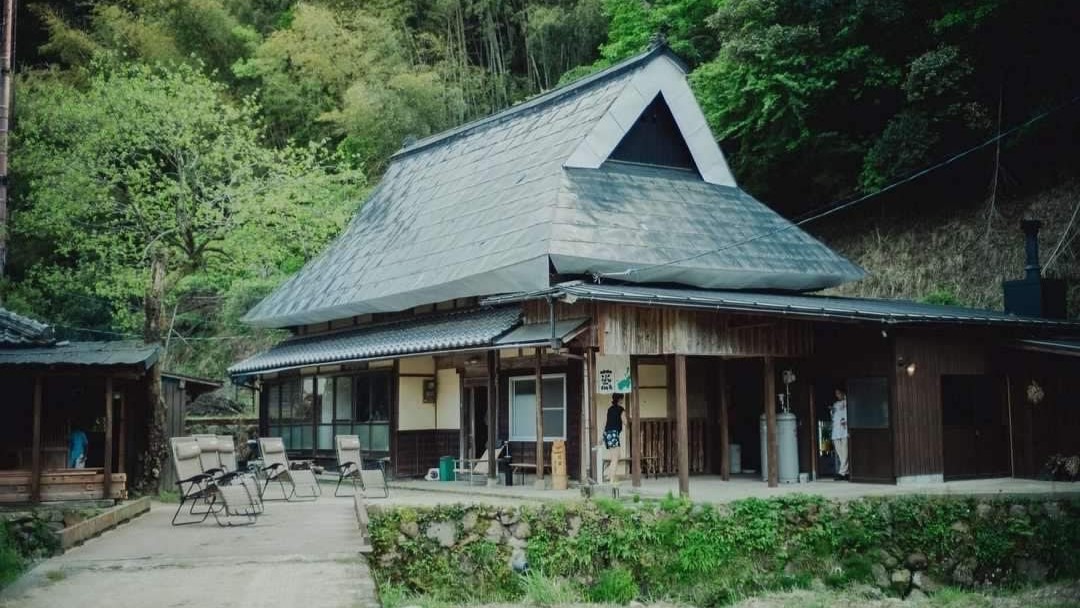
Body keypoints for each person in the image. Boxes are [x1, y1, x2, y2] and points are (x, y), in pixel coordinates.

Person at [602, 394, 627, 483]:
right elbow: (625, 422)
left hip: (607, 433)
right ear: (619, 399)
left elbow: (607, 422)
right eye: (622, 399)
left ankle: (609, 475)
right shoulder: (621, 409)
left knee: (616, 456)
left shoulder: (610, 409)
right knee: (615, 458)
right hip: (613, 433)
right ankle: (611, 479)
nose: (623, 401)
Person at [831, 388, 849, 480]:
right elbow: (833, 415)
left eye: (839, 393)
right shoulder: (835, 404)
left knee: (845, 452)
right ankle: (846, 472)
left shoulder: (848, 402)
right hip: (836, 430)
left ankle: (842, 472)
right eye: (836, 393)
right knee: (840, 453)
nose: (837, 395)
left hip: (844, 430)